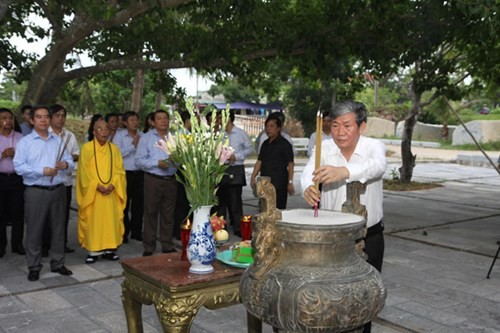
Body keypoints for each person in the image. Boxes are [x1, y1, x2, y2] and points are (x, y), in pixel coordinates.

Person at [300, 100, 386, 333]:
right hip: (332, 238)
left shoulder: (373, 146)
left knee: (364, 299)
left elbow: (378, 166)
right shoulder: (324, 148)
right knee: (330, 297)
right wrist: (308, 187)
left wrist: (345, 172)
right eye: (335, 125)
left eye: (347, 126)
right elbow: (308, 173)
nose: (340, 132)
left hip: (368, 236)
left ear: (362, 126)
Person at [13, 105, 74, 281]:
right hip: (36, 191)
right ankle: (34, 265)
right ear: (32, 120)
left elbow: (69, 160)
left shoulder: (58, 140)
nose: (43, 120)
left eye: (46, 117)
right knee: (34, 230)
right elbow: (19, 167)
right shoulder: (25, 142)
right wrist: (42, 171)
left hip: (58, 190)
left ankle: (58, 263)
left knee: (58, 228)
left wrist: (66, 165)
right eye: (39, 117)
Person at [76, 119, 126, 264]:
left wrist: (113, 184)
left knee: (111, 220)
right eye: (100, 129)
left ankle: (110, 249)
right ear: (93, 132)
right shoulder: (87, 148)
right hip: (94, 194)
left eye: (106, 129)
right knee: (94, 221)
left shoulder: (114, 149)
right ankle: (93, 250)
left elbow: (119, 171)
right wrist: (96, 186)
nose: (104, 131)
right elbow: (83, 172)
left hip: (111, 192)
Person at [135, 110, 177, 256]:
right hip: (153, 179)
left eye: (166, 118)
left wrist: (175, 161)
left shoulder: (174, 137)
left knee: (168, 214)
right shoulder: (146, 138)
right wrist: (157, 163)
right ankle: (149, 246)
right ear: (153, 122)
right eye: (159, 118)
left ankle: (167, 244)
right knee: (150, 213)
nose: (163, 121)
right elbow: (139, 161)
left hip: (171, 180)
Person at [42, 104, 80, 254]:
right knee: (45, 215)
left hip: (65, 181)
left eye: (63, 116)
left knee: (63, 215)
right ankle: (45, 245)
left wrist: (68, 159)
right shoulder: (43, 135)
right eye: (57, 115)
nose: (61, 119)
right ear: (50, 118)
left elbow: (77, 153)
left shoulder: (70, 135)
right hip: (47, 182)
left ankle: (61, 244)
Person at [215, 110, 253, 236]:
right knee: (220, 202)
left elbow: (249, 149)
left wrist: (236, 156)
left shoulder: (240, 133)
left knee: (235, 201)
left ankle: (238, 228)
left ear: (229, 118)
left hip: (235, 169)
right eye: (219, 118)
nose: (219, 121)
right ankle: (220, 228)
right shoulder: (218, 134)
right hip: (220, 170)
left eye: (221, 118)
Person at [250, 115, 294, 209]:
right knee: (264, 209)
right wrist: (253, 176)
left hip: (279, 183)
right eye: (267, 126)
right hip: (265, 182)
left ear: (278, 128)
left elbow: (290, 164)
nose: (268, 129)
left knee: (278, 210)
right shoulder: (265, 144)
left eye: (271, 126)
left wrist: (290, 182)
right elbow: (259, 161)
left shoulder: (285, 144)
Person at [114, 111, 144, 243]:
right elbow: (117, 154)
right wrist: (133, 145)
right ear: (125, 123)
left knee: (139, 205)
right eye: (131, 120)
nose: (134, 123)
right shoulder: (119, 136)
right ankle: (123, 232)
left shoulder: (143, 136)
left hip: (140, 173)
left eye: (136, 120)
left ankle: (136, 232)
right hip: (125, 173)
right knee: (124, 204)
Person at [0, 108, 25, 257]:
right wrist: (2, 154)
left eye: (10, 118)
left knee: (18, 213)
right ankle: (1, 245)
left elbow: (27, 158)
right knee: (1, 214)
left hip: (17, 179)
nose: (7, 121)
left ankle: (17, 244)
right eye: (4, 118)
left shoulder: (21, 137)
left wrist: (16, 154)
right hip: (1, 178)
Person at [173, 111, 193, 240]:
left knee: (184, 203)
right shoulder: (183, 135)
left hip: (187, 170)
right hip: (183, 170)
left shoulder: (185, 134)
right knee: (183, 203)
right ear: (188, 121)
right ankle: (182, 231)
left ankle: (183, 230)